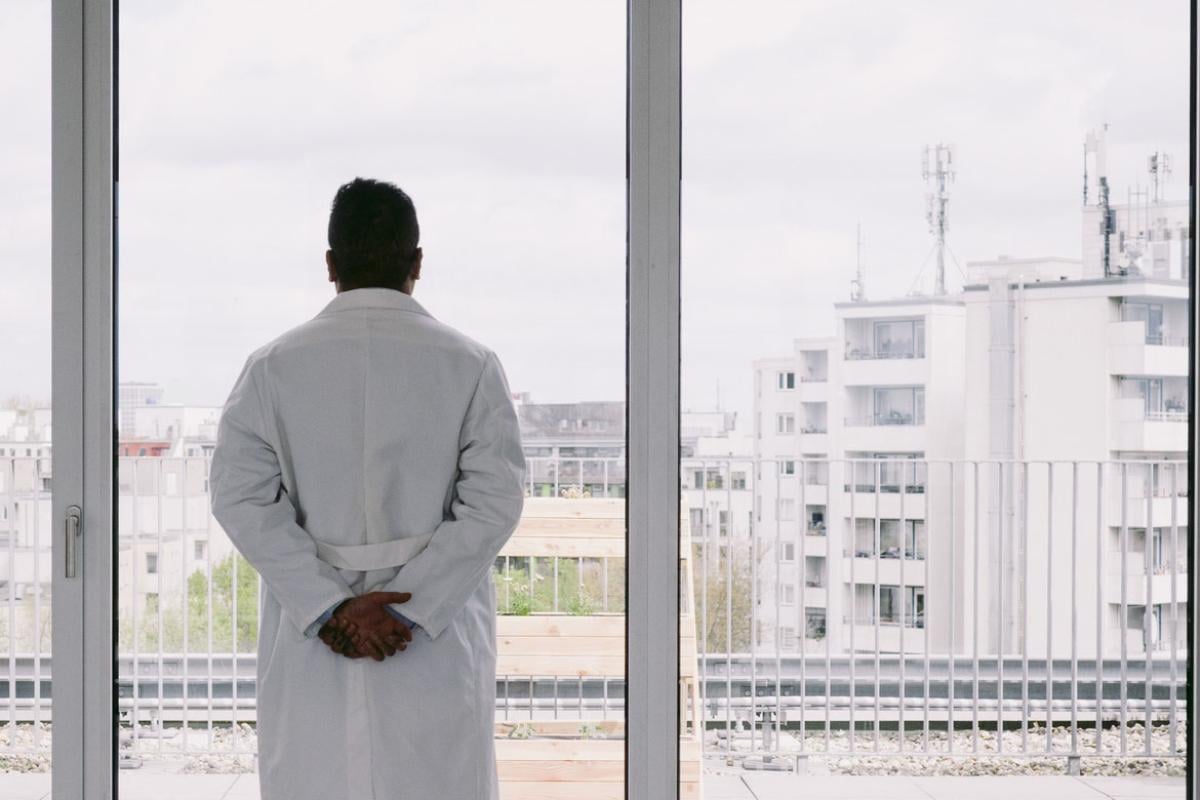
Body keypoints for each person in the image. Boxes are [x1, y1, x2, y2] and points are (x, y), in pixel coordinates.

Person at [210, 177, 526, 800]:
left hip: (315, 638)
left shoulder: (272, 366)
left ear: (330, 264)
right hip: (433, 639)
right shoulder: (470, 364)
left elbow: (239, 498)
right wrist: (410, 610)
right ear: (417, 263)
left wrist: (328, 608)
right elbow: (494, 502)